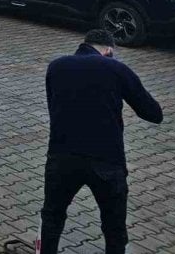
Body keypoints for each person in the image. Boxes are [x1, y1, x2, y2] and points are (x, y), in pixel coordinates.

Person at [38, 29, 163, 254]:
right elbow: (153, 113)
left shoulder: (56, 66)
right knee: (114, 227)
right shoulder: (116, 69)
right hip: (107, 158)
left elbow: (53, 105)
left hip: (62, 155)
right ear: (108, 50)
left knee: (52, 217)